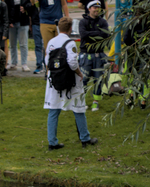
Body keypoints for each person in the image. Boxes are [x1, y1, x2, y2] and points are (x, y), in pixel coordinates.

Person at [44, 17, 98, 150]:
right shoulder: (70, 43)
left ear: (59, 28)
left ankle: (52, 142)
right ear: (70, 29)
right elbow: (73, 62)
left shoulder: (51, 42)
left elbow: (47, 61)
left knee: (54, 110)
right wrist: (79, 73)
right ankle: (85, 138)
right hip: (70, 80)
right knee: (78, 108)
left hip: (54, 80)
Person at [79, 0, 110, 112]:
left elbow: (106, 34)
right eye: (94, 7)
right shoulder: (83, 21)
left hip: (98, 55)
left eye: (98, 8)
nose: (96, 9)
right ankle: (81, 102)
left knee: (98, 80)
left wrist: (90, 34)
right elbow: (83, 35)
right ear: (89, 9)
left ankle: (95, 102)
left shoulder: (103, 21)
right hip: (85, 55)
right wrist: (98, 33)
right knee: (83, 80)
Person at [6, 0, 29, 71]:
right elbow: (6, 7)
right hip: (11, 23)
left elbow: (30, 4)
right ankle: (13, 63)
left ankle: (24, 64)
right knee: (12, 44)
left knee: (23, 44)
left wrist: (25, 7)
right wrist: (9, 21)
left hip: (23, 22)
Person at [25, 0, 44, 74]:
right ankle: (39, 65)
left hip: (45, 22)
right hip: (35, 23)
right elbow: (27, 7)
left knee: (46, 45)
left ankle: (46, 64)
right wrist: (32, 3)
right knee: (38, 45)